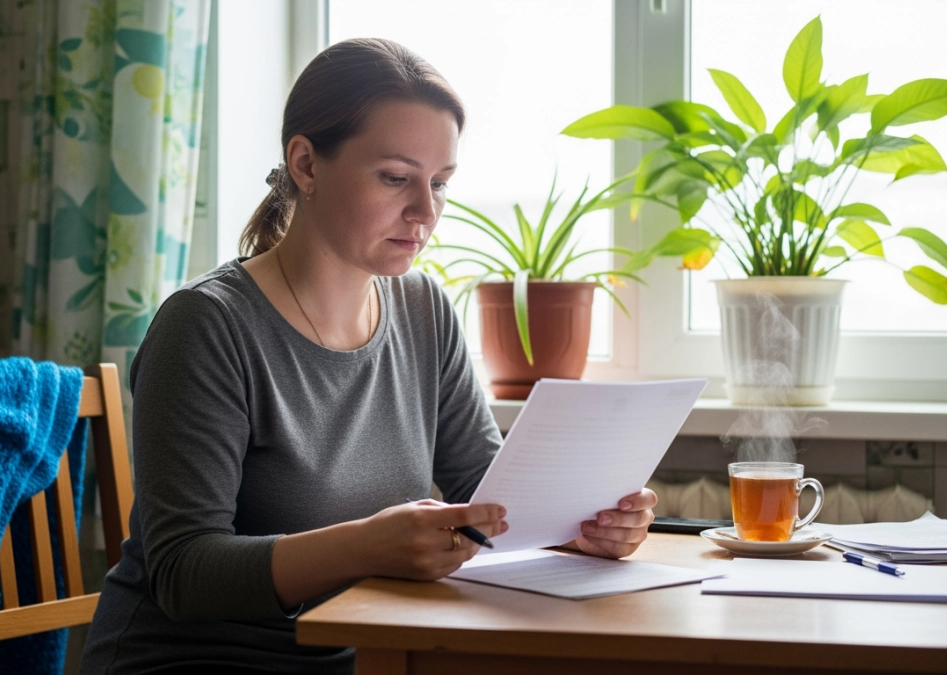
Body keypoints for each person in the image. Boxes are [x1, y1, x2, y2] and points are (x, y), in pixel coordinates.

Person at [81, 37, 657, 675]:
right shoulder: (206, 326)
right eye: (395, 178)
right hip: (194, 662)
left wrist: (581, 530)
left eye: (440, 183)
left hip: (366, 654)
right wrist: (364, 546)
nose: (425, 211)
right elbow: (183, 573)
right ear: (306, 163)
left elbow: (488, 497)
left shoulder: (423, 310)